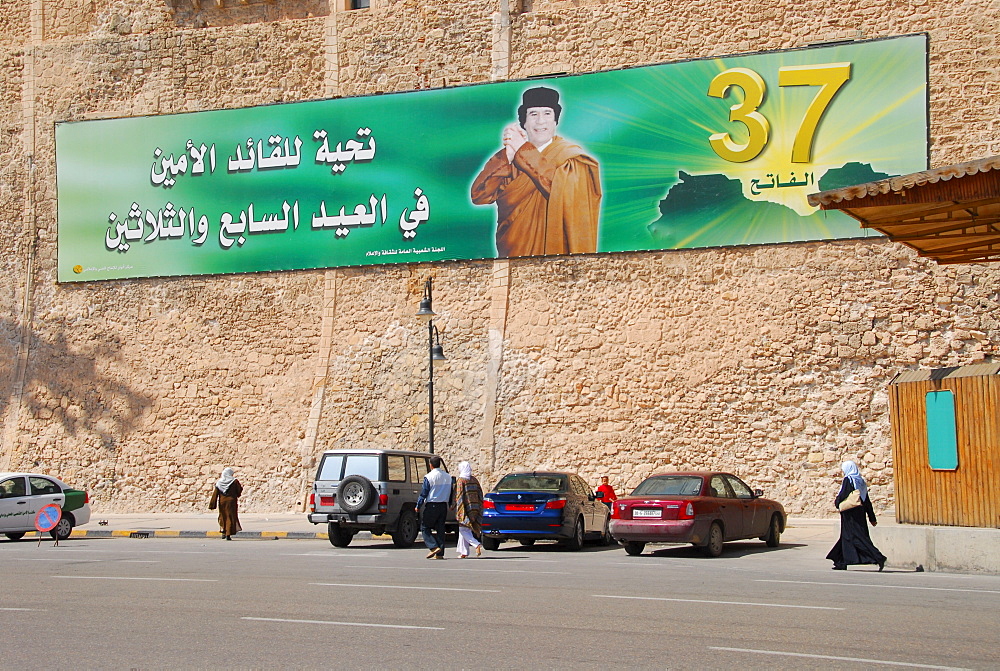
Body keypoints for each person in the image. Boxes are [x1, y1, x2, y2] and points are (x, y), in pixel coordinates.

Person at [471, 86, 602, 259]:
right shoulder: (512, 159)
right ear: (523, 121)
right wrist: (508, 155)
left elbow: (568, 197)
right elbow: (480, 195)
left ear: (556, 120)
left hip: (557, 257)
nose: (541, 121)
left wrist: (524, 151)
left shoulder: (571, 158)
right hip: (513, 255)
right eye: (533, 114)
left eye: (547, 113)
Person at [826, 461, 886, 571]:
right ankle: (841, 561)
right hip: (860, 513)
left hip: (850, 514)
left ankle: (878, 557)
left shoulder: (848, 479)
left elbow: (844, 494)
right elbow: (866, 500)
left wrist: (837, 503)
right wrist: (871, 517)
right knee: (846, 537)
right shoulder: (860, 481)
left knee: (858, 538)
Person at [416, 455, 452, 559]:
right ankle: (440, 554)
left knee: (425, 527)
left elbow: (424, 493)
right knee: (440, 528)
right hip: (443, 506)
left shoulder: (429, 477)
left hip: (432, 505)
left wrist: (418, 505)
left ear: (430, 465)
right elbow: (451, 492)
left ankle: (433, 546)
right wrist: (450, 504)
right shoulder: (448, 476)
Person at [453, 461, 484, 558]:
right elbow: (480, 493)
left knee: (463, 529)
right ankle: (464, 552)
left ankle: (476, 544)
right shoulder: (474, 480)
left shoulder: (461, 481)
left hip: (466, 508)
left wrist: (456, 507)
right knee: (466, 529)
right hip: (475, 508)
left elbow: (459, 496)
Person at [208, 467, 243, 540]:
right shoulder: (234, 481)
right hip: (231, 502)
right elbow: (239, 490)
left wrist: (212, 504)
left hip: (222, 502)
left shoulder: (219, 482)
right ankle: (228, 534)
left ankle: (223, 531)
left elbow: (215, 494)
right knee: (230, 517)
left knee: (223, 516)